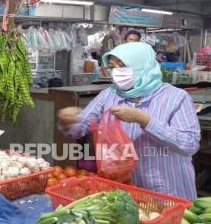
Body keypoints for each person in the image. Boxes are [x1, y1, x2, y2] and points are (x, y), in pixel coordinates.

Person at [58, 42, 200, 200]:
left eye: (122, 65)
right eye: (113, 66)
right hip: (126, 190)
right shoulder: (110, 94)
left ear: (142, 65)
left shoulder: (176, 97)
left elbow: (189, 144)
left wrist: (144, 120)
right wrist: (69, 121)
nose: (117, 72)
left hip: (168, 190)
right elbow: (81, 127)